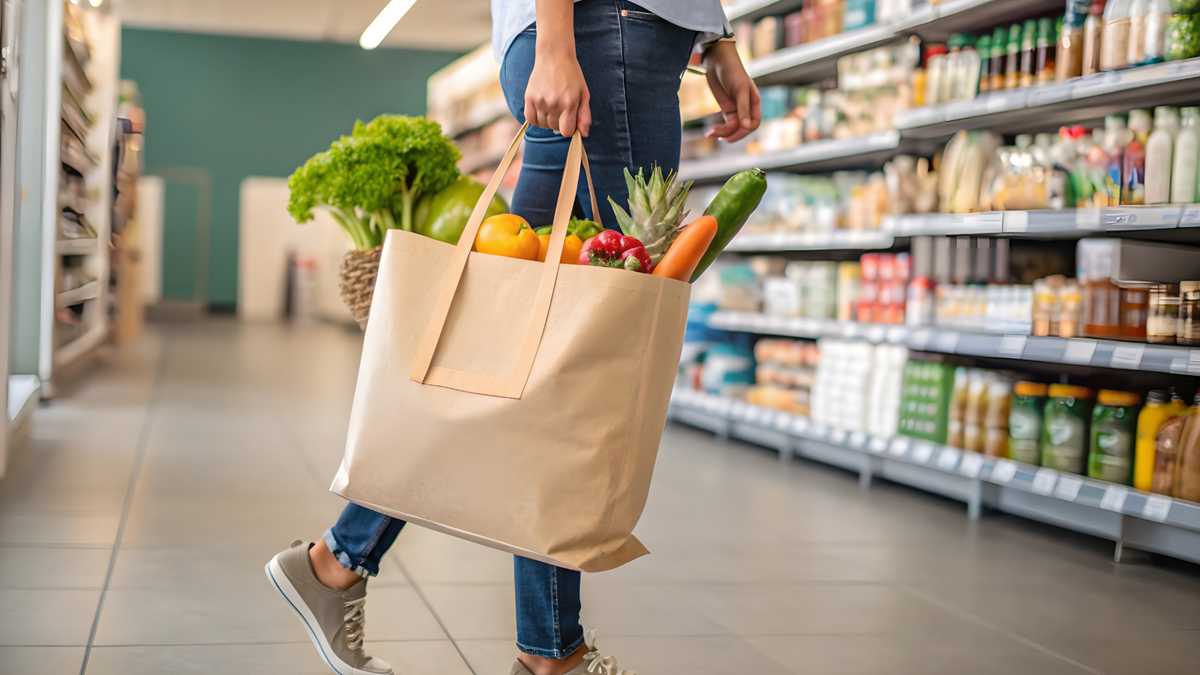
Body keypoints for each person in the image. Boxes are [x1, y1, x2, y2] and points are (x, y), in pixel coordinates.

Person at [265, 2, 759, 674]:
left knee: (523, 343)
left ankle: (343, 562)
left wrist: (713, 37)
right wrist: (558, 40)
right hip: (602, 32)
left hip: (619, 36)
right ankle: (546, 651)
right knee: (579, 350)